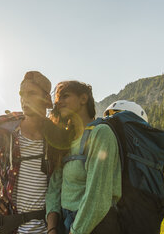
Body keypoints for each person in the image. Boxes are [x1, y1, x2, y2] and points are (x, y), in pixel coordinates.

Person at [0, 71, 69, 234]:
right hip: (10, 226)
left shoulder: (56, 137)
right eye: (21, 94)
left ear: (46, 99)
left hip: (47, 227)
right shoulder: (5, 131)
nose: (24, 99)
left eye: (31, 93)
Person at [46, 81, 122, 234]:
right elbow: (54, 186)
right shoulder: (66, 140)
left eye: (65, 96)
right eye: (58, 100)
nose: (59, 103)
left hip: (94, 225)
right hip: (66, 223)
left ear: (83, 99)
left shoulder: (101, 133)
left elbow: (98, 197)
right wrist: (52, 228)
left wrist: (75, 231)